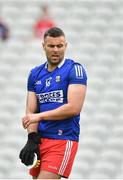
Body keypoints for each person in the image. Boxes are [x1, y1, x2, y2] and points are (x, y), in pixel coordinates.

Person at [19, 27, 87, 179]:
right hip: (41, 140)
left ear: (66, 46)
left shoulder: (75, 70)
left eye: (60, 46)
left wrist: (40, 117)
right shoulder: (35, 74)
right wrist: (31, 138)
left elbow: (74, 108)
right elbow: (31, 111)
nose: (56, 50)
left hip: (62, 140)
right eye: (51, 46)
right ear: (43, 46)